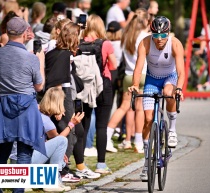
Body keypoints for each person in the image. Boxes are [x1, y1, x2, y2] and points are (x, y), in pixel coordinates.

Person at [0, 16, 45, 193]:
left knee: (2, 151)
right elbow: (39, 85)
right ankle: (18, 190)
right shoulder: (31, 58)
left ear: (6, 31)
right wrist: (40, 61)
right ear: (24, 33)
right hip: (26, 106)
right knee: (24, 152)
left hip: (4, 104)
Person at [128, 16, 185, 181]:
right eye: (156, 35)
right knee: (147, 118)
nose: (159, 39)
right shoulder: (145, 43)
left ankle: (172, 129)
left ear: (168, 33)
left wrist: (179, 88)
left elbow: (181, 71)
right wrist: (134, 85)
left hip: (170, 78)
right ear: (151, 33)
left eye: (163, 35)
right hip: (152, 80)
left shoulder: (175, 44)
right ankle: (147, 162)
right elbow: (138, 68)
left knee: (168, 92)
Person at [45, 22, 101, 179]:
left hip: (55, 95)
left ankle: (60, 168)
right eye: (78, 36)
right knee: (70, 131)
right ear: (73, 37)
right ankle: (61, 170)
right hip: (61, 96)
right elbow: (57, 81)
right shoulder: (65, 55)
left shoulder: (54, 52)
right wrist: (58, 106)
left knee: (70, 131)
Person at [106, 9, 149, 154]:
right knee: (140, 109)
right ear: (145, 22)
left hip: (128, 75)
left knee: (124, 107)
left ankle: (108, 136)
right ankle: (138, 142)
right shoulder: (145, 37)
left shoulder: (126, 36)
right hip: (142, 74)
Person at [80, 14, 117, 174]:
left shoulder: (79, 43)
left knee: (84, 125)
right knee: (102, 125)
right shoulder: (106, 44)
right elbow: (113, 65)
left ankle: (81, 164)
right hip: (103, 84)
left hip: (85, 86)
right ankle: (101, 164)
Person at [32, 87, 84, 192]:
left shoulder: (36, 111)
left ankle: (53, 181)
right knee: (62, 141)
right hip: (30, 160)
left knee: (59, 152)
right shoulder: (47, 122)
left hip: (22, 158)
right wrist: (71, 124)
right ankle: (53, 182)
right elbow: (58, 139)